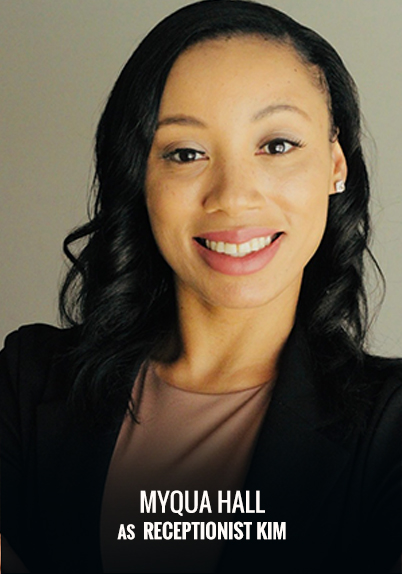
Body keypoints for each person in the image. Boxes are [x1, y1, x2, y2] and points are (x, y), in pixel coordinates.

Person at [1, 1, 401, 572]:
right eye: (186, 153)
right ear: (140, 177)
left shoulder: (391, 427)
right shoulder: (26, 381)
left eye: (277, 145)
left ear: (335, 163)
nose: (232, 196)